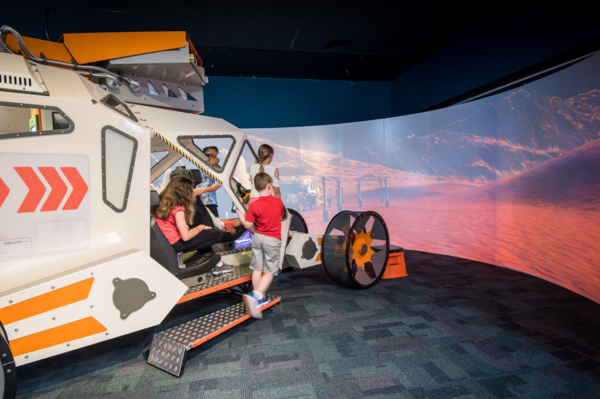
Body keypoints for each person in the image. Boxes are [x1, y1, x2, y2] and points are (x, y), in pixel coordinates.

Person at [154, 175, 233, 275]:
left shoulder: (161, 201)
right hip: (177, 244)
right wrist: (200, 227)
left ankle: (218, 263)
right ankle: (217, 264)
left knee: (202, 237)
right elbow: (186, 236)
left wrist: (210, 188)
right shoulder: (178, 208)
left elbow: (193, 193)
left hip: (167, 242)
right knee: (215, 234)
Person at [236, 172, 285, 318]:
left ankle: (260, 298)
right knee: (269, 271)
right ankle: (256, 295)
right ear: (270, 186)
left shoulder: (254, 205)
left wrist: (240, 214)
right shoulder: (278, 202)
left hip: (258, 239)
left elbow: (248, 225)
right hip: (272, 240)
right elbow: (281, 215)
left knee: (257, 269)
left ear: (257, 189)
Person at [198, 146, 222, 217]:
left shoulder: (210, 166)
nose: (214, 157)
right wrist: (210, 157)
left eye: (215, 155)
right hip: (207, 199)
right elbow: (217, 160)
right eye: (211, 154)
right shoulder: (203, 163)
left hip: (210, 199)